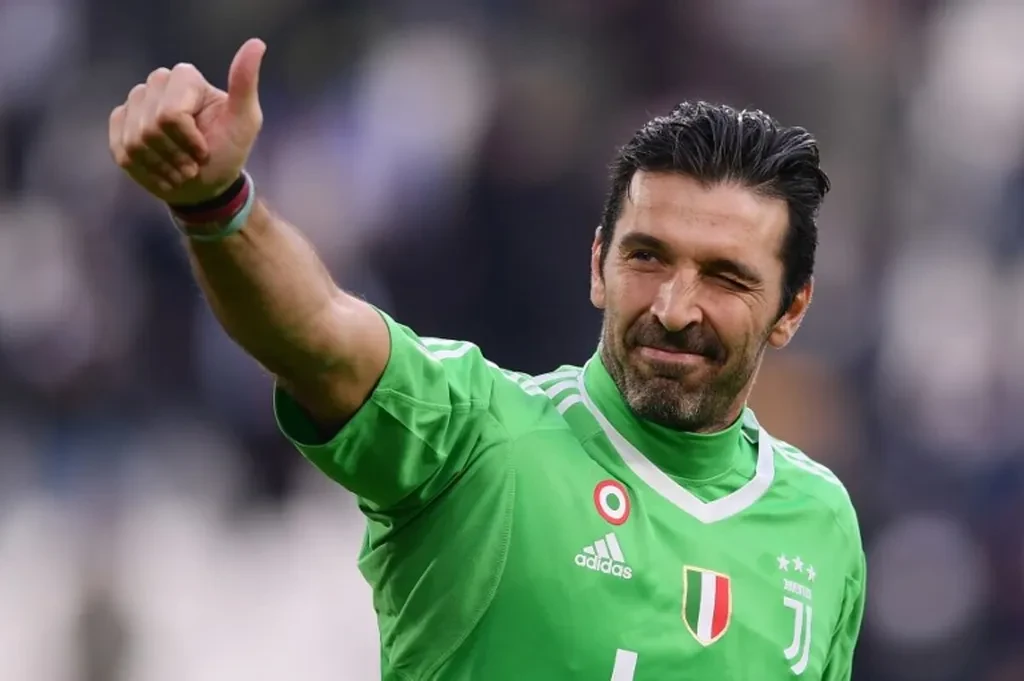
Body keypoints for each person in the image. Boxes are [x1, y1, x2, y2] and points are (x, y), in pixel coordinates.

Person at [108, 38, 865, 681]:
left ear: (791, 308)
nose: (673, 306)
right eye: (647, 257)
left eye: (725, 277)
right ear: (598, 265)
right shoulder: (480, 436)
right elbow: (315, 333)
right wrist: (217, 205)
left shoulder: (822, 525)